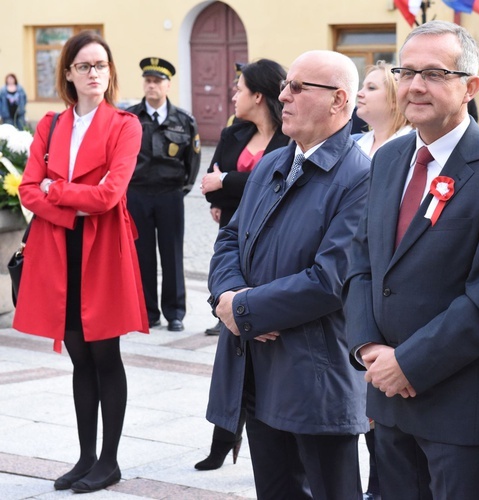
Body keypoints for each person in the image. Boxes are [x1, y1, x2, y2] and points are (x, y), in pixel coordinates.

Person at [343, 21, 479, 499]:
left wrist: (406, 363)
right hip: (387, 395)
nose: (415, 85)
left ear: (470, 86)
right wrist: (368, 348)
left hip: (457, 401)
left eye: (434, 73)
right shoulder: (387, 160)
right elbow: (360, 263)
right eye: (407, 71)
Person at [206, 50, 370, 499]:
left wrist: (245, 309)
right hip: (258, 369)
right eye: (285, 86)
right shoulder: (275, 162)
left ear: (339, 101)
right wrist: (231, 298)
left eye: (298, 87)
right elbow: (228, 240)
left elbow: (330, 279)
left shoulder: (359, 177)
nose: (284, 96)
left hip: (314, 378)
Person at [13, 31, 148, 493]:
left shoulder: (125, 125)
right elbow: (27, 189)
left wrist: (57, 191)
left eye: (102, 65)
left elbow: (111, 197)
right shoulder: (50, 125)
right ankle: (86, 456)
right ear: (68, 72)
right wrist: (70, 203)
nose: (95, 73)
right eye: (86, 66)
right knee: (78, 358)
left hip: (103, 251)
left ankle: (109, 460)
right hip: (58, 250)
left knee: (105, 355)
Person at [194, 58, 290, 471]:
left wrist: (228, 184)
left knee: (266, 351)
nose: (232, 94)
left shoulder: (291, 135)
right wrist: (223, 193)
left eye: (239, 88)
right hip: (234, 244)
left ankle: (267, 440)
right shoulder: (235, 132)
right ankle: (224, 437)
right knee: (231, 350)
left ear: (258, 95)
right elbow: (210, 185)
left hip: (275, 255)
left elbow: (281, 182)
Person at [354, 59, 413, 500]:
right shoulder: (358, 147)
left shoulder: (406, 149)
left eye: (370, 87)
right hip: (358, 301)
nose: (360, 94)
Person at [126, 57, 201, 332]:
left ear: (168, 85)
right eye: (148, 80)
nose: (151, 85)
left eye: (157, 81)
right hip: (137, 193)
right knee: (142, 253)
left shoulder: (183, 120)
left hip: (170, 194)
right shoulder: (130, 118)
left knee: (172, 254)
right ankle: (147, 312)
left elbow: (192, 160)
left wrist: (183, 190)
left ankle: (175, 312)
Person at [355, 60, 412, 157]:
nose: (359, 93)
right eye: (363, 87)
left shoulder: (415, 145)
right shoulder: (353, 142)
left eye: (371, 88)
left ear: (395, 99)